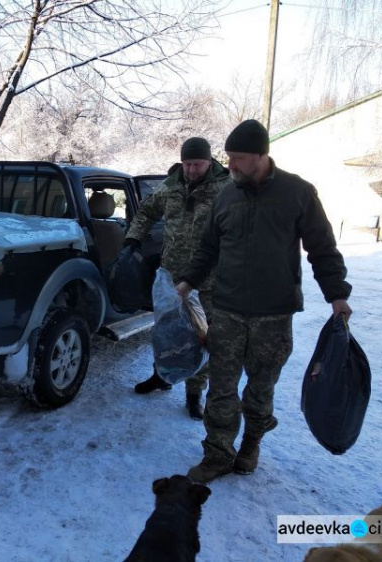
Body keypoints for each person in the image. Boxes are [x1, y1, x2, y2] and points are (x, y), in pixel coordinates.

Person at [176, 120, 352, 483]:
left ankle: (251, 445)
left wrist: (337, 296)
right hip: (226, 309)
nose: (232, 165)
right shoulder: (226, 195)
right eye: (229, 158)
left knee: (260, 387)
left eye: (238, 158)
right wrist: (188, 282)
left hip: (274, 313)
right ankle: (217, 454)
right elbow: (208, 247)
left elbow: (322, 248)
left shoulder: (298, 193)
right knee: (221, 385)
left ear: (261, 155)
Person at [124, 137, 232, 420]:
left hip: (208, 279)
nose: (192, 169)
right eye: (187, 163)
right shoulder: (170, 186)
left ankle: (194, 394)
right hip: (171, 276)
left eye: (197, 164)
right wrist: (133, 238)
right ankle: (162, 375)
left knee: (202, 335)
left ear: (209, 162)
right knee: (166, 330)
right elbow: (147, 211)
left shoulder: (226, 187)